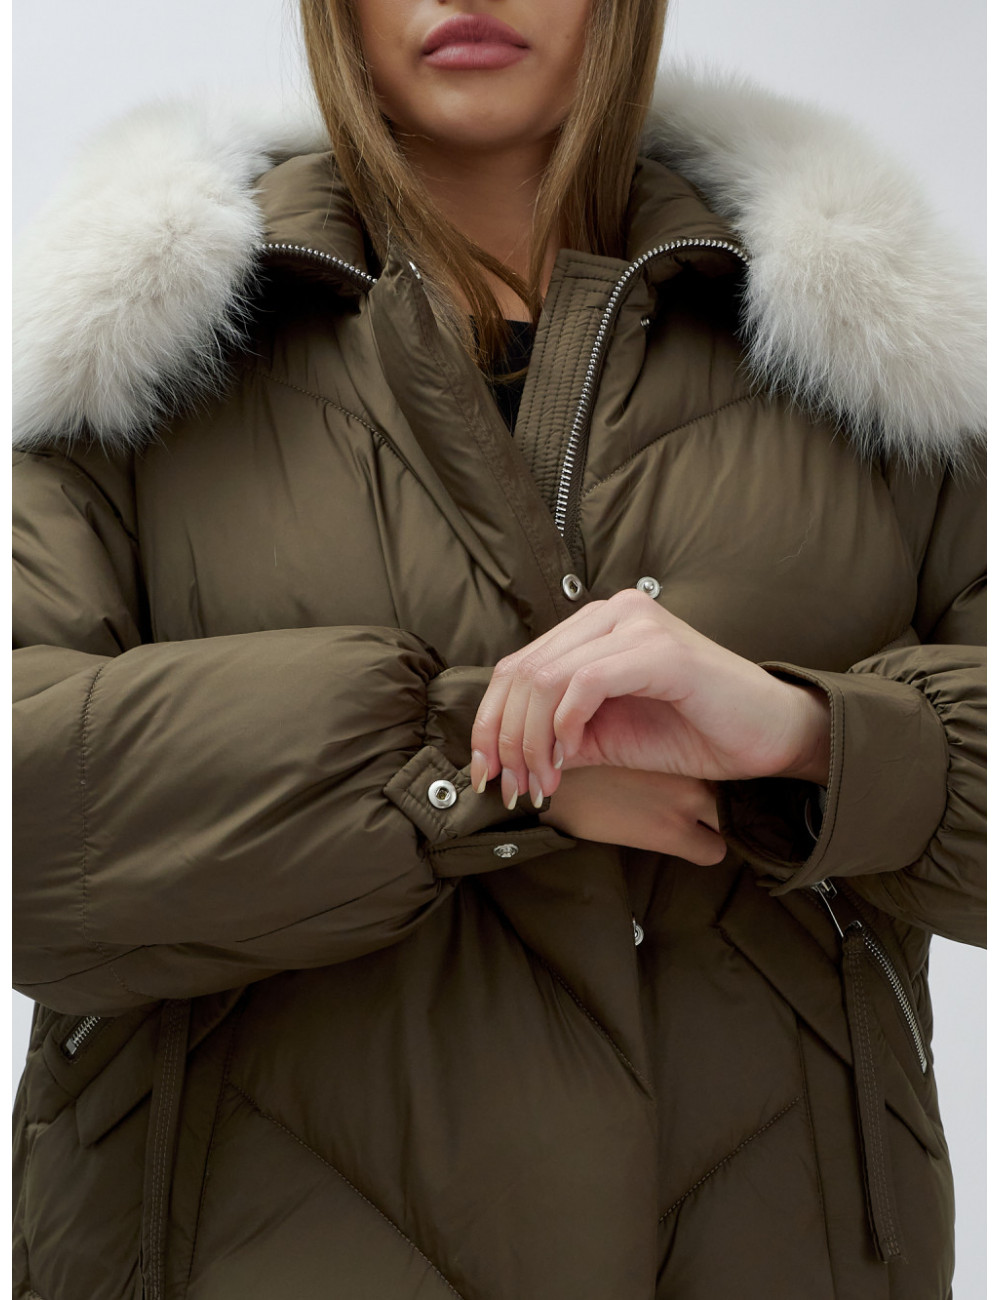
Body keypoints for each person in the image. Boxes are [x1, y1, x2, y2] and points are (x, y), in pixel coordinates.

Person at [12, 1, 985, 1297]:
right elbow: (29, 819)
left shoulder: (870, 344)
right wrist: (472, 763)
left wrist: (809, 738)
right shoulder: (131, 344)